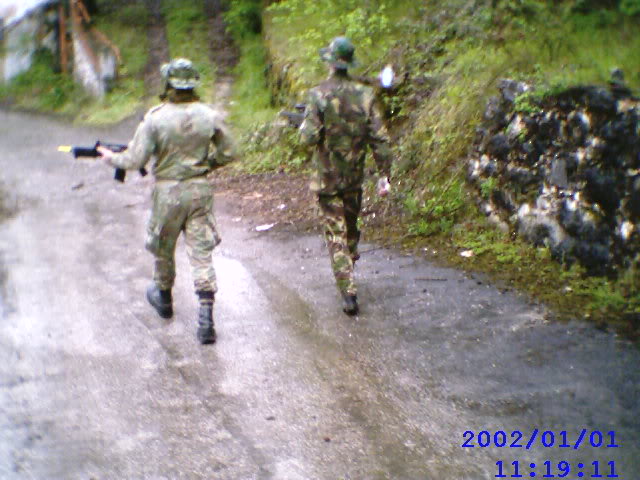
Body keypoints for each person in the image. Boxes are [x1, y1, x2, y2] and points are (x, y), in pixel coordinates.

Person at [98, 58, 235, 344]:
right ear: (193, 83)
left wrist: (111, 158)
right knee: (201, 252)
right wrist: (206, 165)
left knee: (163, 246)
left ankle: (163, 298)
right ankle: (206, 317)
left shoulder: (155, 118)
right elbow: (230, 151)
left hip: (167, 194)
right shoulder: (209, 115)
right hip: (199, 191)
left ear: (168, 84)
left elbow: (135, 159)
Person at [299, 37, 393, 316]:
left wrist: (305, 125)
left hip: (327, 179)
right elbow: (380, 138)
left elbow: (308, 138)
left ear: (329, 62)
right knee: (350, 229)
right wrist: (384, 173)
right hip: (354, 177)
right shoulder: (366, 96)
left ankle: (348, 291)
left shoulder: (317, 95)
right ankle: (348, 273)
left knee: (335, 233)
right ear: (349, 63)